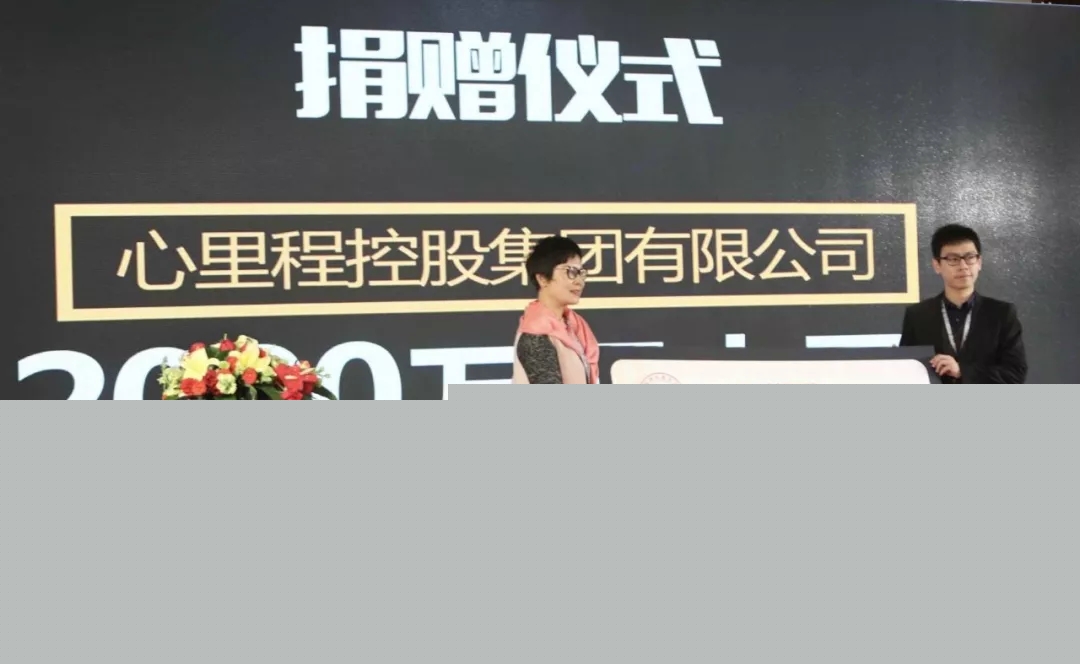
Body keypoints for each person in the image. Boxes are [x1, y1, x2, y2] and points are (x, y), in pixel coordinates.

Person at [899, 223, 1026, 383]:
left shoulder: (1001, 314)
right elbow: (906, 371)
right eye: (953, 259)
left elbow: (1015, 374)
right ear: (937, 265)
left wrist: (962, 371)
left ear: (979, 262)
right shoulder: (917, 316)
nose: (963, 266)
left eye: (970, 257)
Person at [511, 235, 600, 384]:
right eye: (570, 272)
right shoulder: (536, 333)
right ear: (542, 279)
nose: (579, 282)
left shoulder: (573, 326)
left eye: (581, 273)